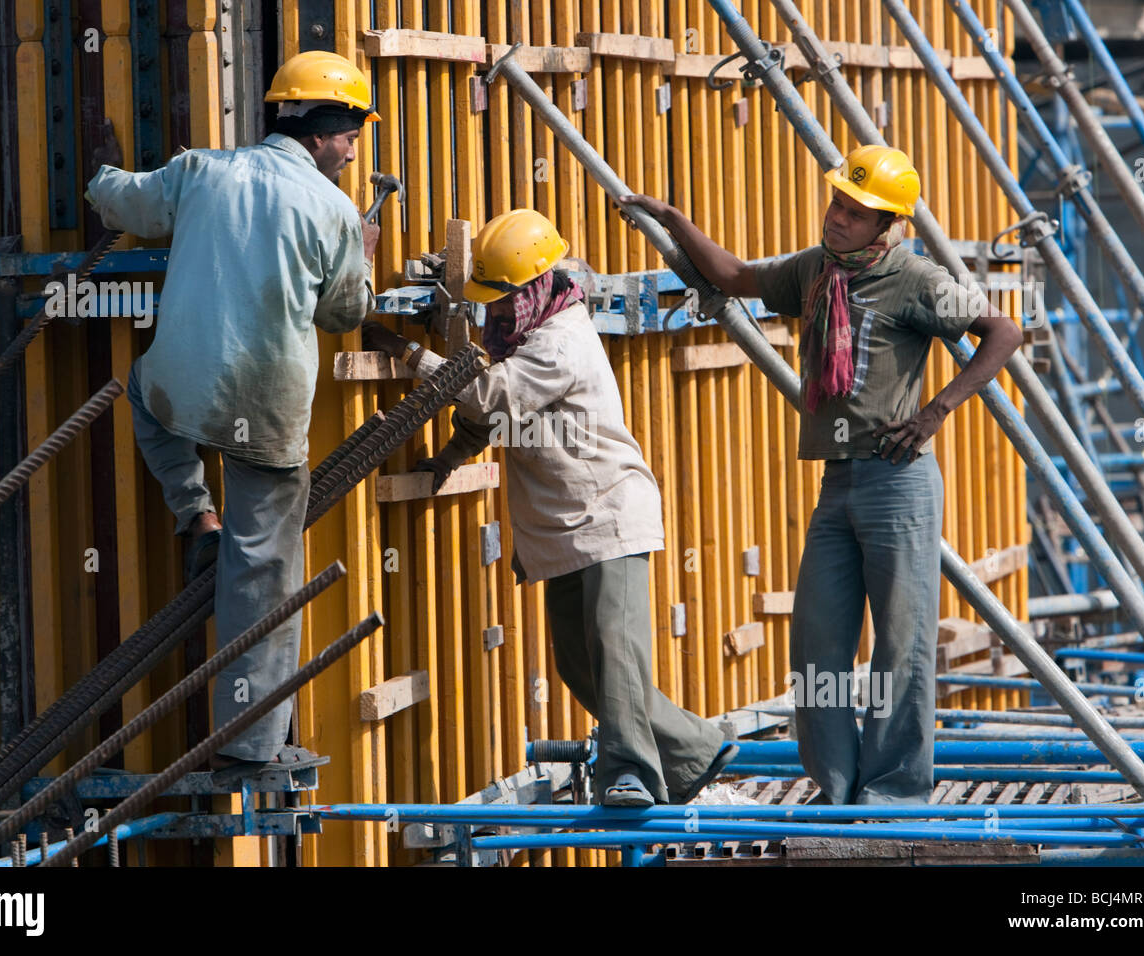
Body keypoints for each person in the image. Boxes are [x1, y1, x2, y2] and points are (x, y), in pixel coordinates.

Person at [621, 145, 1023, 803]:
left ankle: (894, 794)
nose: (837, 218)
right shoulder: (814, 270)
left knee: (902, 646)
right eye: (837, 203)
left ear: (883, 226)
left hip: (899, 480)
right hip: (838, 482)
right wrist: (672, 219)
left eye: (854, 213)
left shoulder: (915, 278)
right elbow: (735, 276)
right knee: (816, 645)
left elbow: (1003, 331)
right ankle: (835, 789)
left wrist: (935, 411)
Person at [363, 208, 738, 806]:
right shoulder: (530, 334)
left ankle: (630, 775)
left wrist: (405, 353)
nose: (496, 312)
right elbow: (498, 416)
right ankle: (696, 747)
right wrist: (448, 458)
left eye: (505, 298)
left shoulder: (561, 342)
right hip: (564, 527)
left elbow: (490, 395)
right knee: (578, 666)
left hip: (608, 514)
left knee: (616, 657)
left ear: (538, 285)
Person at [84, 51, 380, 772]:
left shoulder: (201, 172)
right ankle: (248, 745)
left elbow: (124, 201)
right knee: (262, 570)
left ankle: (195, 515)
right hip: (266, 405)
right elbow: (344, 315)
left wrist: (100, 170)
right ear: (319, 131)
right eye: (350, 135)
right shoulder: (335, 209)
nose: (351, 151)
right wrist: (361, 255)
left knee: (145, 399)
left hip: (179, 389)